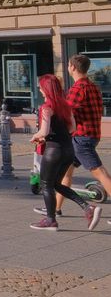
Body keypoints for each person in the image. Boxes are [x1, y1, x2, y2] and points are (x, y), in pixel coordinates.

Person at [29, 74, 102, 231]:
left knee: (46, 184)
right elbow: (72, 129)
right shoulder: (65, 105)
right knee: (56, 184)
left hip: (53, 151)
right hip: (69, 149)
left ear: (46, 89)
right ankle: (88, 208)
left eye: (41, 87)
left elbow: (44, 130)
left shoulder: (46, 107)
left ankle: (50, 220)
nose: (39, 89)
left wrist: (36, 137)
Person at [52, 54, 111, 225]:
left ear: (72, 67)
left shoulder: (78, 89)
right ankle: (55, 208)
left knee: (101, 173)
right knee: (66, 173)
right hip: (90, 136)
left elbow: (65, 112)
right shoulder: (93, 87)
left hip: (82, 138)